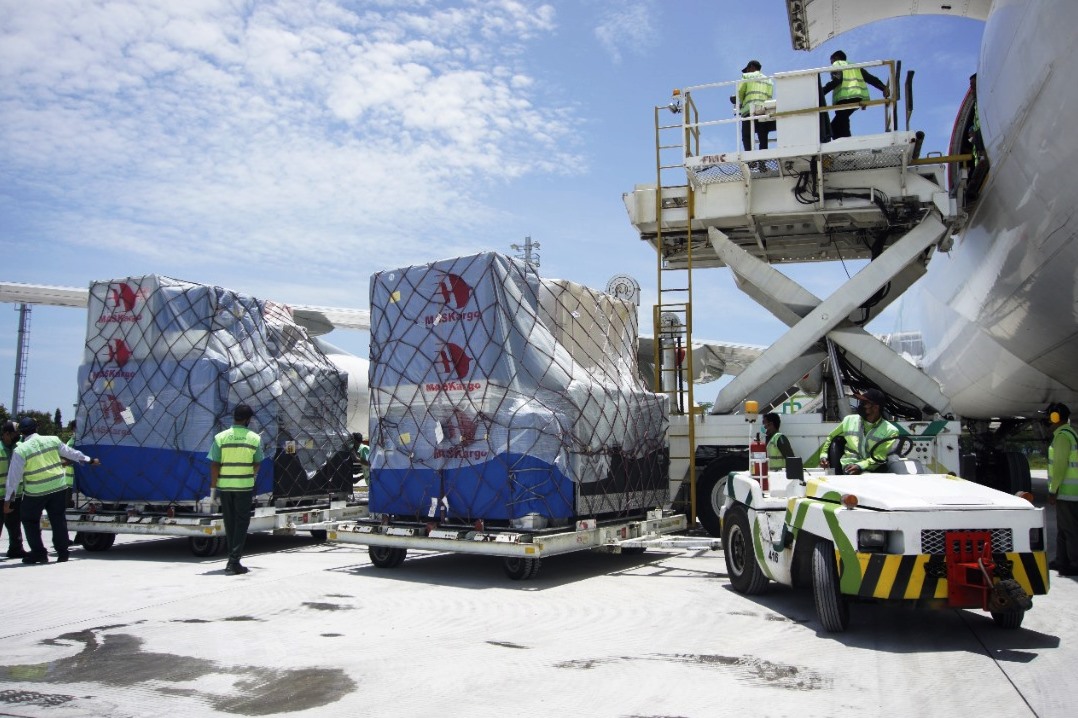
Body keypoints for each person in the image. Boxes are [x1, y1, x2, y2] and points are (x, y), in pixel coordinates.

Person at [3, 417, 99, 564]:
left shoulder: (21, 449)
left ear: (21, 433)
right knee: (58, 519)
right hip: (58, 487)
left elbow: (13, 477)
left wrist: (8, 500)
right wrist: (89, 460)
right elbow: (71, 452)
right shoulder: (52, 440)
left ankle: (38, 553)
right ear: (36, 428)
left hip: (36, 491)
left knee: (29, 520)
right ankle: (63, 553)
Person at [208, 404, 264, 576]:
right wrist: (252, 477)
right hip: (244, 487)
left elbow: (215, 464)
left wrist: (213, 489)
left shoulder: (220, 437)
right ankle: (234, 561)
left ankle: (232, 559)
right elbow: (257, 461)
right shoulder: (254, 438)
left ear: (234, 417)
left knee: (230, 522)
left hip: (225, 487)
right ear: (248, 420)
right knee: (241, 523)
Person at [819, 388, 900, 474]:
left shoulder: (891, 431)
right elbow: (831, 437)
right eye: (860, 402)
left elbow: (880, 456)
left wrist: (861, 466)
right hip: (850, 466)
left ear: (876, 408)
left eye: (864, 403)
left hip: (874, 469)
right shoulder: (848, 420)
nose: (860, 405)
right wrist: (823, 455)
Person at [820, 50, 890, 140]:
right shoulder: (855, 66)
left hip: (845, 97)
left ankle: (846, 145)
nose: (831, 63)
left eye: (831, 61)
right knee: (837, 123)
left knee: (842, 119)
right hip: (858, 97)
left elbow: (837, 80)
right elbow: (870, 78)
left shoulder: (837, 64)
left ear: (836, 58)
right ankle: (839, 143)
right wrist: (883, 87)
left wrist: (822, 92)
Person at [1045, 402, 1078, 576]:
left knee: (1070, 529)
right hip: (1071, 492)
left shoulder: (1062, 437)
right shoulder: (1070, 433)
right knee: (1064, 528)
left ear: (1055, 418)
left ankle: (1074, 563)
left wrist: (1053, 490)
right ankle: (1061, 560)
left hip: (1068, 492)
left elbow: (1059, 466)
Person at [0, 420, 28, 559]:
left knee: (14, 524)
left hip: (14, 495)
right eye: (15, 433)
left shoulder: (18, 447)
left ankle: (16, 549)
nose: (17, 436)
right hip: (0, 495)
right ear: (6, 434)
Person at [736, 60, 776, 154]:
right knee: (763, 135)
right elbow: (769, 96)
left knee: (746, 135)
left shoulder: (747, 76)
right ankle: (762, 162)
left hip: (749, 110)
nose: (747, 72)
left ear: (752, 67)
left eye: (747, 69)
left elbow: (740, 92)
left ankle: (751, 161)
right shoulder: (768, 80)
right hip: (763, 110)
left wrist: (741, 102)